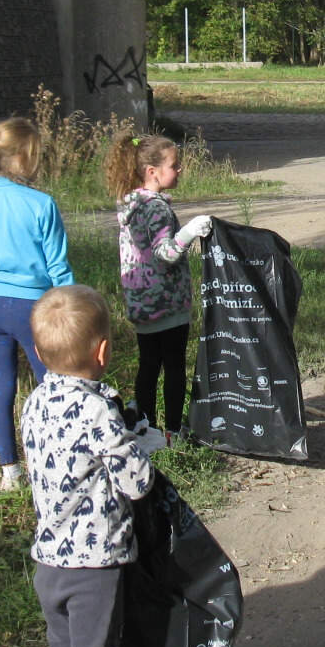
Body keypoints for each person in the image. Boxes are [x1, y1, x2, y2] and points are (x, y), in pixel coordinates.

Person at [22, 284, 164, 647]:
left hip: (49, 559)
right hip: (95, 565)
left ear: (39, 353)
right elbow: (137, 481)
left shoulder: (35, 403)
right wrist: (144, 447)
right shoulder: (98, 410)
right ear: (103, 351)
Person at [0, 117, 75, 491]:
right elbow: (57, 265)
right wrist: (71, 306)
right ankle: (56, 459)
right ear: (22, 159)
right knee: (53, 384)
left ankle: (9, 471)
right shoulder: (42, 204)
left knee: (1, 387)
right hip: (35, 309)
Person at [102, 134, 212, 433]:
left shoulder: (131, 206)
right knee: (174, 368)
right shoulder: (158, 208)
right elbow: (166, 254)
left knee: (148, 367)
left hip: (141, 303)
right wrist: (190, 232)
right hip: (167, 302)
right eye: (174, 166)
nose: (179, 171)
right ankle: (174, 431)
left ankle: (146, 427)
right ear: (153, 171)